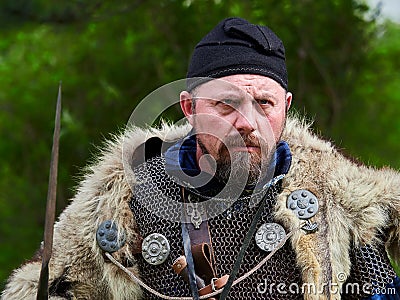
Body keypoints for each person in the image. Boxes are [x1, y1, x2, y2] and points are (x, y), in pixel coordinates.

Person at [1, 17, 400, 300]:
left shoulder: (340, 201)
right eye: (226, 104)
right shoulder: (123, 198)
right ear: (190, 107)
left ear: (286, 105)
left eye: (265, 103)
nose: (247, 122)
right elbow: (58, 286)